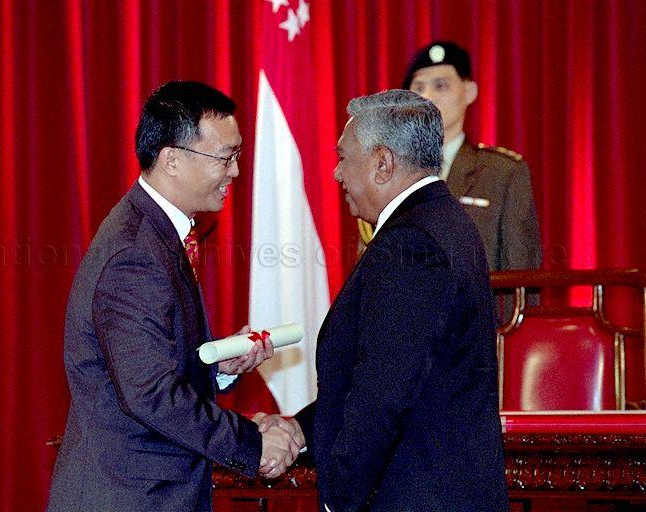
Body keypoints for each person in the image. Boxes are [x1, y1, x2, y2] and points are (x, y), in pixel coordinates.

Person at [47, 81, 302, 512]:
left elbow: (146, 367)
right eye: (226, 157)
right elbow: (150, 394)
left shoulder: (157, 235)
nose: (235, 172)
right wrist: (250, 443)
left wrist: (218, 368)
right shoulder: (135, 254)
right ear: (172, 160)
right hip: (130, 498)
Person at [260, 90, 508, 511]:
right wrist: (302, 429)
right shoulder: (443, 222)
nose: (337, 173)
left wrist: (340, 495)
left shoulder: (410, 244)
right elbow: (406, 376)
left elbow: (385, 391)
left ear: (381, 163)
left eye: (343, 157)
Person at [377, 40, 541, 272]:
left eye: (441, 86)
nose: (428, 98)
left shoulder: (502, 174)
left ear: (469, 91)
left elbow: (521, 278)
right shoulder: (389, 174)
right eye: (419, 88)